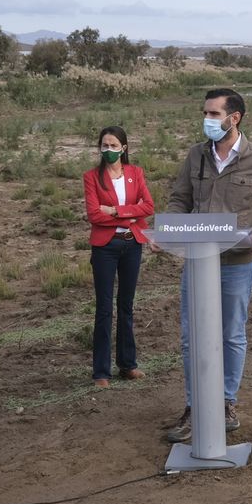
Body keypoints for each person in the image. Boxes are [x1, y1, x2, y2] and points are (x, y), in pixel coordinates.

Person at [161, 87, 252, 442]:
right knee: (192, 337)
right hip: (198, 262)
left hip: (237, 262)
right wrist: (167, 231)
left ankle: (226, 401)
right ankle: (196, 405)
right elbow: (179, 200)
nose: (207, 120)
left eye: (214, 114)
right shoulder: (195, 157)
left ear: (235, 118)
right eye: (206, 113)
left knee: (231, 334)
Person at [83, 126, 154, 388]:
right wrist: (129, 214)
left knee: (126, 305)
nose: (108, 150)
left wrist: (114, 211)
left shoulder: (136, 173)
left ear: (124, 147)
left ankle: (128, 364)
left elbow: (148, 206)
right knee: (104, 308)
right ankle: (101, 372)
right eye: (104, 145)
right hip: (105, 247)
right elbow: (94, 214)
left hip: (131, 244)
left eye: (114, 145)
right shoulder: (92, 177)